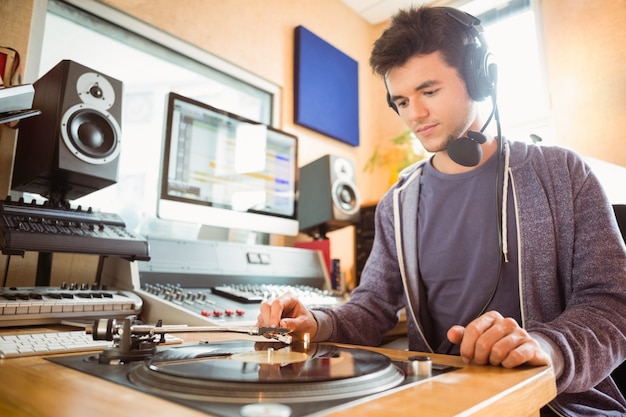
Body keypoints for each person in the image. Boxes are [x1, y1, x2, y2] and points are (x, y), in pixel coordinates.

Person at [257, 6, 626, 416]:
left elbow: (612, 304)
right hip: (440, 403)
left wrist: (547, 347)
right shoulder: (399, 201)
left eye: (429, 91)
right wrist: (318, 323)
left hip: (555, 405)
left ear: (479, 77)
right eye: (401, 100)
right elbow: (371, 308)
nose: (414, 115)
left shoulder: (562, 173)